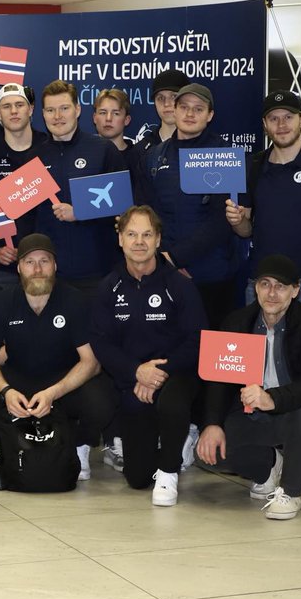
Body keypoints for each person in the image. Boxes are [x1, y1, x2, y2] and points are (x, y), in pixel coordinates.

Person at [0, 234, 117, 479]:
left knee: (102, 401)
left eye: (45, 261)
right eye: (30, 262)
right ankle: (11, 436)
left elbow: (91, 363)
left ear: (55, 266)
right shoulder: (2, 301)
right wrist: (6, 391)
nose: (38, 269)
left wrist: (53, 393)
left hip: (63, 380)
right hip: (19, 377)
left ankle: (76, 443)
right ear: (19, 267)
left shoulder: (76, 301)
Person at [197, 255, 301, 520]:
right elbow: (217, 379)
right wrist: (212, 423)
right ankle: (270, 465)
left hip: (293, 412)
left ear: (295, 291)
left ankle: (290, 491)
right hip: (252, 416)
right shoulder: (237, 322)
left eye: (281, 286)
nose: (272, 293)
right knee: (207, 452)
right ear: (256, 288)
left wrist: (273, 398)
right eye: (265, 284)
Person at [90, 206, 205, 506]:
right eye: (131, 234)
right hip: (133, 381)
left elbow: (197, 339)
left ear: (158, 240)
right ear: (120, 240)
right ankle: (171, 442)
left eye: (146, 235)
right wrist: (137, 371)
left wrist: (158, 373)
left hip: (176, 375)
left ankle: (169, 471)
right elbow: (101, 343)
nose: (139, 242)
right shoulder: (108, 288)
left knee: (173, 401)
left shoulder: (179, 285)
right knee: (138, 478)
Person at [225, 91, 301, 317]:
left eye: (288, 117)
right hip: (261, 285)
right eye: (273, 118)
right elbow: (245, 230)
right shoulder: (254, 166)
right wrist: (238, 220)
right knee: (261, 352)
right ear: (264, 124)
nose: (281, 125)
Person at [142, 82, 238, 329]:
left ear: (210, 115)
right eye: (183, 107)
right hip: (164, 275)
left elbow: (222, 221)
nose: (189, 114)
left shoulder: (224, 155)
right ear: (174, 111)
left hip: (212, 277)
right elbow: (148, 215)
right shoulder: (154, 156)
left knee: (211, 358)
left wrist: (177, 258)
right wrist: (166, 261)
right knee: (170, 354)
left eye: (198, 108)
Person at [35, 80, 127, 296]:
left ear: (77, 110)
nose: (57, 116)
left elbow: (123, 206)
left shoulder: (103, 150)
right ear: (43, 114)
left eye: (64, 108)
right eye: (51, 110)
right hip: (50, 274)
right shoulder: (35, 157)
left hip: (98, 272)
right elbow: (26, 216)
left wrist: (82, 211)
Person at [0, 84, 47, 285]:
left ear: (31, 109)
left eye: (19, 105)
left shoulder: (48, 148)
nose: (14, 111)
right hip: (4, 269)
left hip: (46, 262)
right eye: (6, 107)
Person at [92, 87, 146, 200]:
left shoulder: (139, 158)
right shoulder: (84, 155)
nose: (108, 118)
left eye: (116, 113)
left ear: (126, 120)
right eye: (102, 112)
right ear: (94, 118)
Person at [134, 69, 189, 154]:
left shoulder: (206, 147)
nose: (166, 104)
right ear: (155, 103)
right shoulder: (141, 150)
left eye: (174, 96)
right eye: (160, 98)